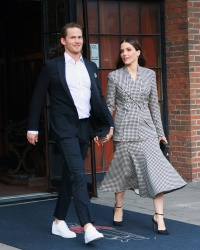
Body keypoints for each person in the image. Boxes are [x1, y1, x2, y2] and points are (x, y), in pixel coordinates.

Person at [27, 22, 114, 244]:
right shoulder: (52, 66)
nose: (77, 41)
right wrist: (32, 127)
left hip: (84, 127)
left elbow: (98, 99)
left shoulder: (91, 67)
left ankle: (58, 221)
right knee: (77, 173)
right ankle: (88, 225)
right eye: (73, 37)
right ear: (63, 41)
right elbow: (38, 98)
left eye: (80, 37)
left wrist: (107, 124)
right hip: (63, 127)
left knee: (68, 175)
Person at [100, 38, 187, 235]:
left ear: (138, 52)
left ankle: (159, 216)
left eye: (129, 49)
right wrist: (108, 128)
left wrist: (160, 133)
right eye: (122, 50)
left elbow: (154, 105)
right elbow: (109, 106)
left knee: (155, 172)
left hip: (147, 131)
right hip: (124, 130)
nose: (124, 53)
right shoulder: (114, 77)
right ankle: (118, 207)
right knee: (123, 171)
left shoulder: (149, 75)